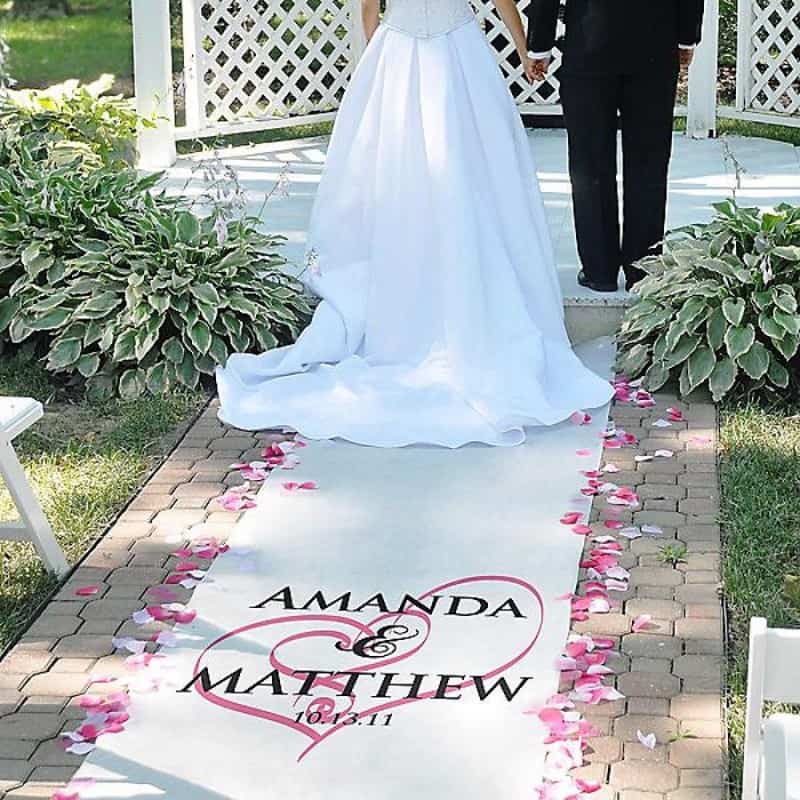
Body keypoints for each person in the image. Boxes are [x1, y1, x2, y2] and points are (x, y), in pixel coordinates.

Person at [215, 0, 613, 448]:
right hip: (458, 54)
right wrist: (523, 50)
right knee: (473, 176)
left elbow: (369, 6)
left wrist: (374, 61)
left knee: (402, 175)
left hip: (399, 53)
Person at [527, 0, 705, 292]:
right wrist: (686, 35)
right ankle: (643, 268)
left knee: (590, 164)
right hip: (654, 44)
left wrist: (539, 45)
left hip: (589, 42)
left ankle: (599, 269)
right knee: (649, 163)